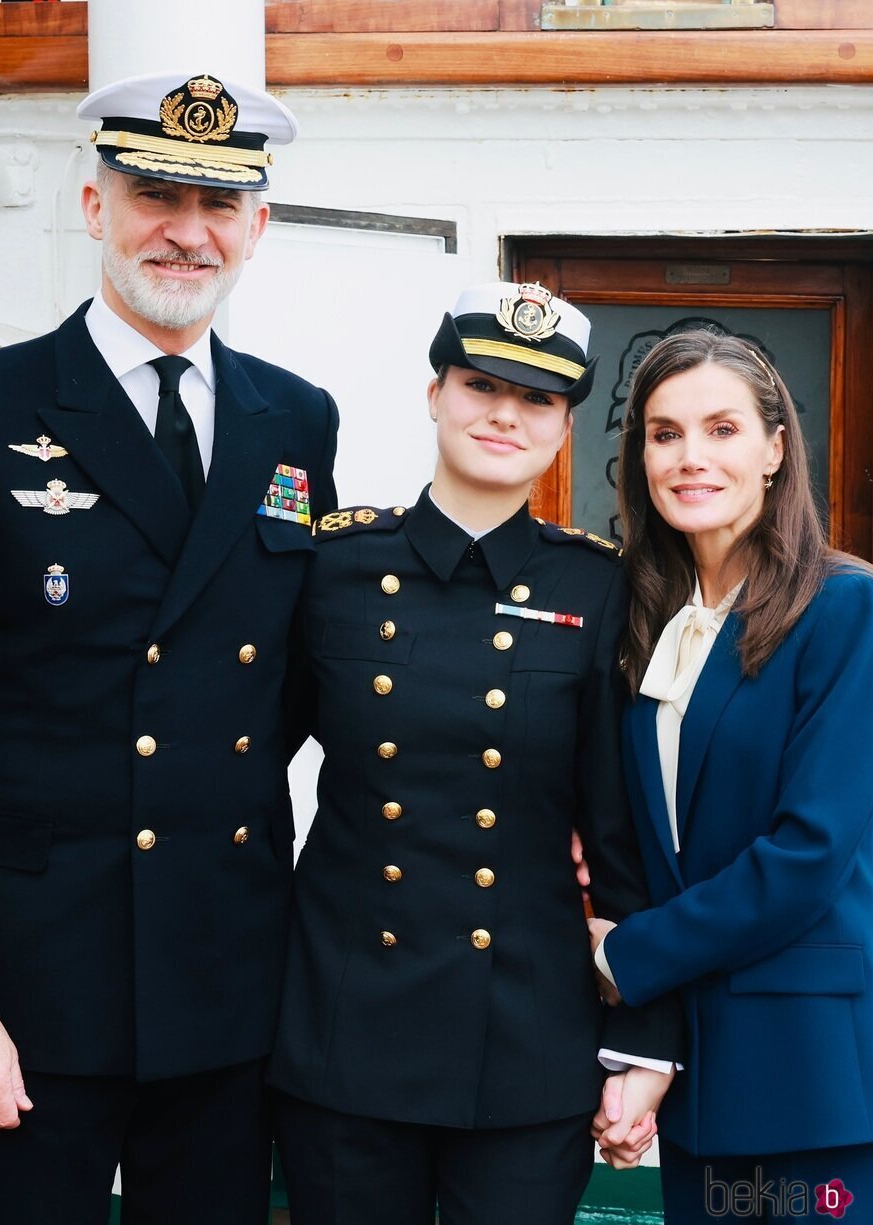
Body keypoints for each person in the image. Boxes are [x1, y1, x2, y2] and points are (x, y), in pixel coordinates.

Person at [0, 69, 338, 1225]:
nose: (185, 234)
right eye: (153, 196)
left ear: (257, 225)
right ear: (94, 207)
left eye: (217, 208)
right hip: (31, 989)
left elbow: (292, 677)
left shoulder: (295, 418)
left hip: (225, 975)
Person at [267, 281, 682, 1225]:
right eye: (479, 384)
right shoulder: (331, 567)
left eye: (537, 398)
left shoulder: (599, 584)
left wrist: (643, 1038)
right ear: (434, 394)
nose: (504, 413)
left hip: (528, 1038)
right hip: (346, 1026)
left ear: (566, 424)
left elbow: (623, 833)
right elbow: (241, 770)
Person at [588, 330, 873, 1221]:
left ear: (774, 447)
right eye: (665, 433)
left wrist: (623, 956)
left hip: (810, 1062)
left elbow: (809, 851)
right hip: (700, 1072)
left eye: (721, 428)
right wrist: (645, 1053)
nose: (691, 458)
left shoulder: (846, 606)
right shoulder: (642, 617)